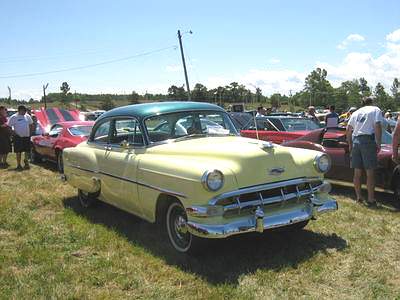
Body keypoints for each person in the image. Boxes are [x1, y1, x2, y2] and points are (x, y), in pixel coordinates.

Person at [346, 97, 383, 207]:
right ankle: (371, 199)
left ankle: (359, 197)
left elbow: (348, 129)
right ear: (372, 102)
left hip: (356, 140)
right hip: (368, 140)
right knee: (370, 172)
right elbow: (377, 125)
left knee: (357, 172)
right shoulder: (375, 110)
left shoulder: (356, 112)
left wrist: (350, 144)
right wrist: (378, 142)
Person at [7, 105, 33, 171]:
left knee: (27, 150)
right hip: (18, 137)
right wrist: (14, 134)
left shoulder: (27, 116)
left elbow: (31, 124)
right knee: (18, 151)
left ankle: (26, 161)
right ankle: (18, 164)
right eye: (23, 111)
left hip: (26, 136)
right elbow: (9, 127)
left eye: (25, 111)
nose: (25, 112)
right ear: (19, 110)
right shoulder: (14, 117)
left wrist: (30, 132)